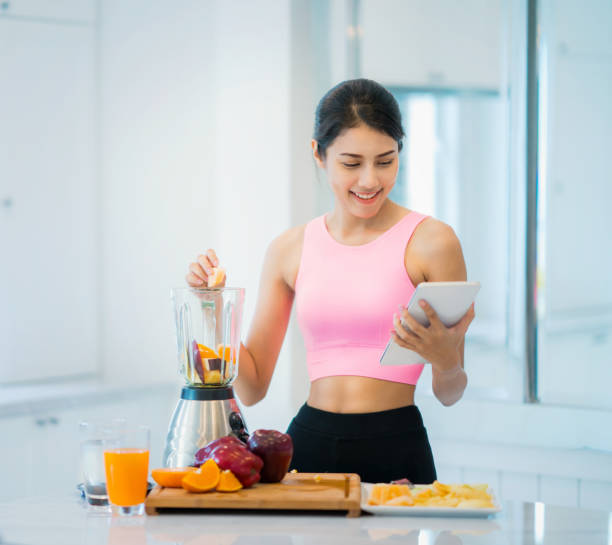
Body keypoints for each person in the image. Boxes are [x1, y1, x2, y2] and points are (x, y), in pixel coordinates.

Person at [186, 78, 475, 484]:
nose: (370, 180)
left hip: (396, 447)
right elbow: (252, 389)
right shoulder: (289, 249)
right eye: (351, 163)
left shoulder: (432, 242)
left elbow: (450, 392)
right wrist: (213, 307)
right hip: (306, 446)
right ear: (319, 155)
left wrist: (446, 361)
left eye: (385, 160)